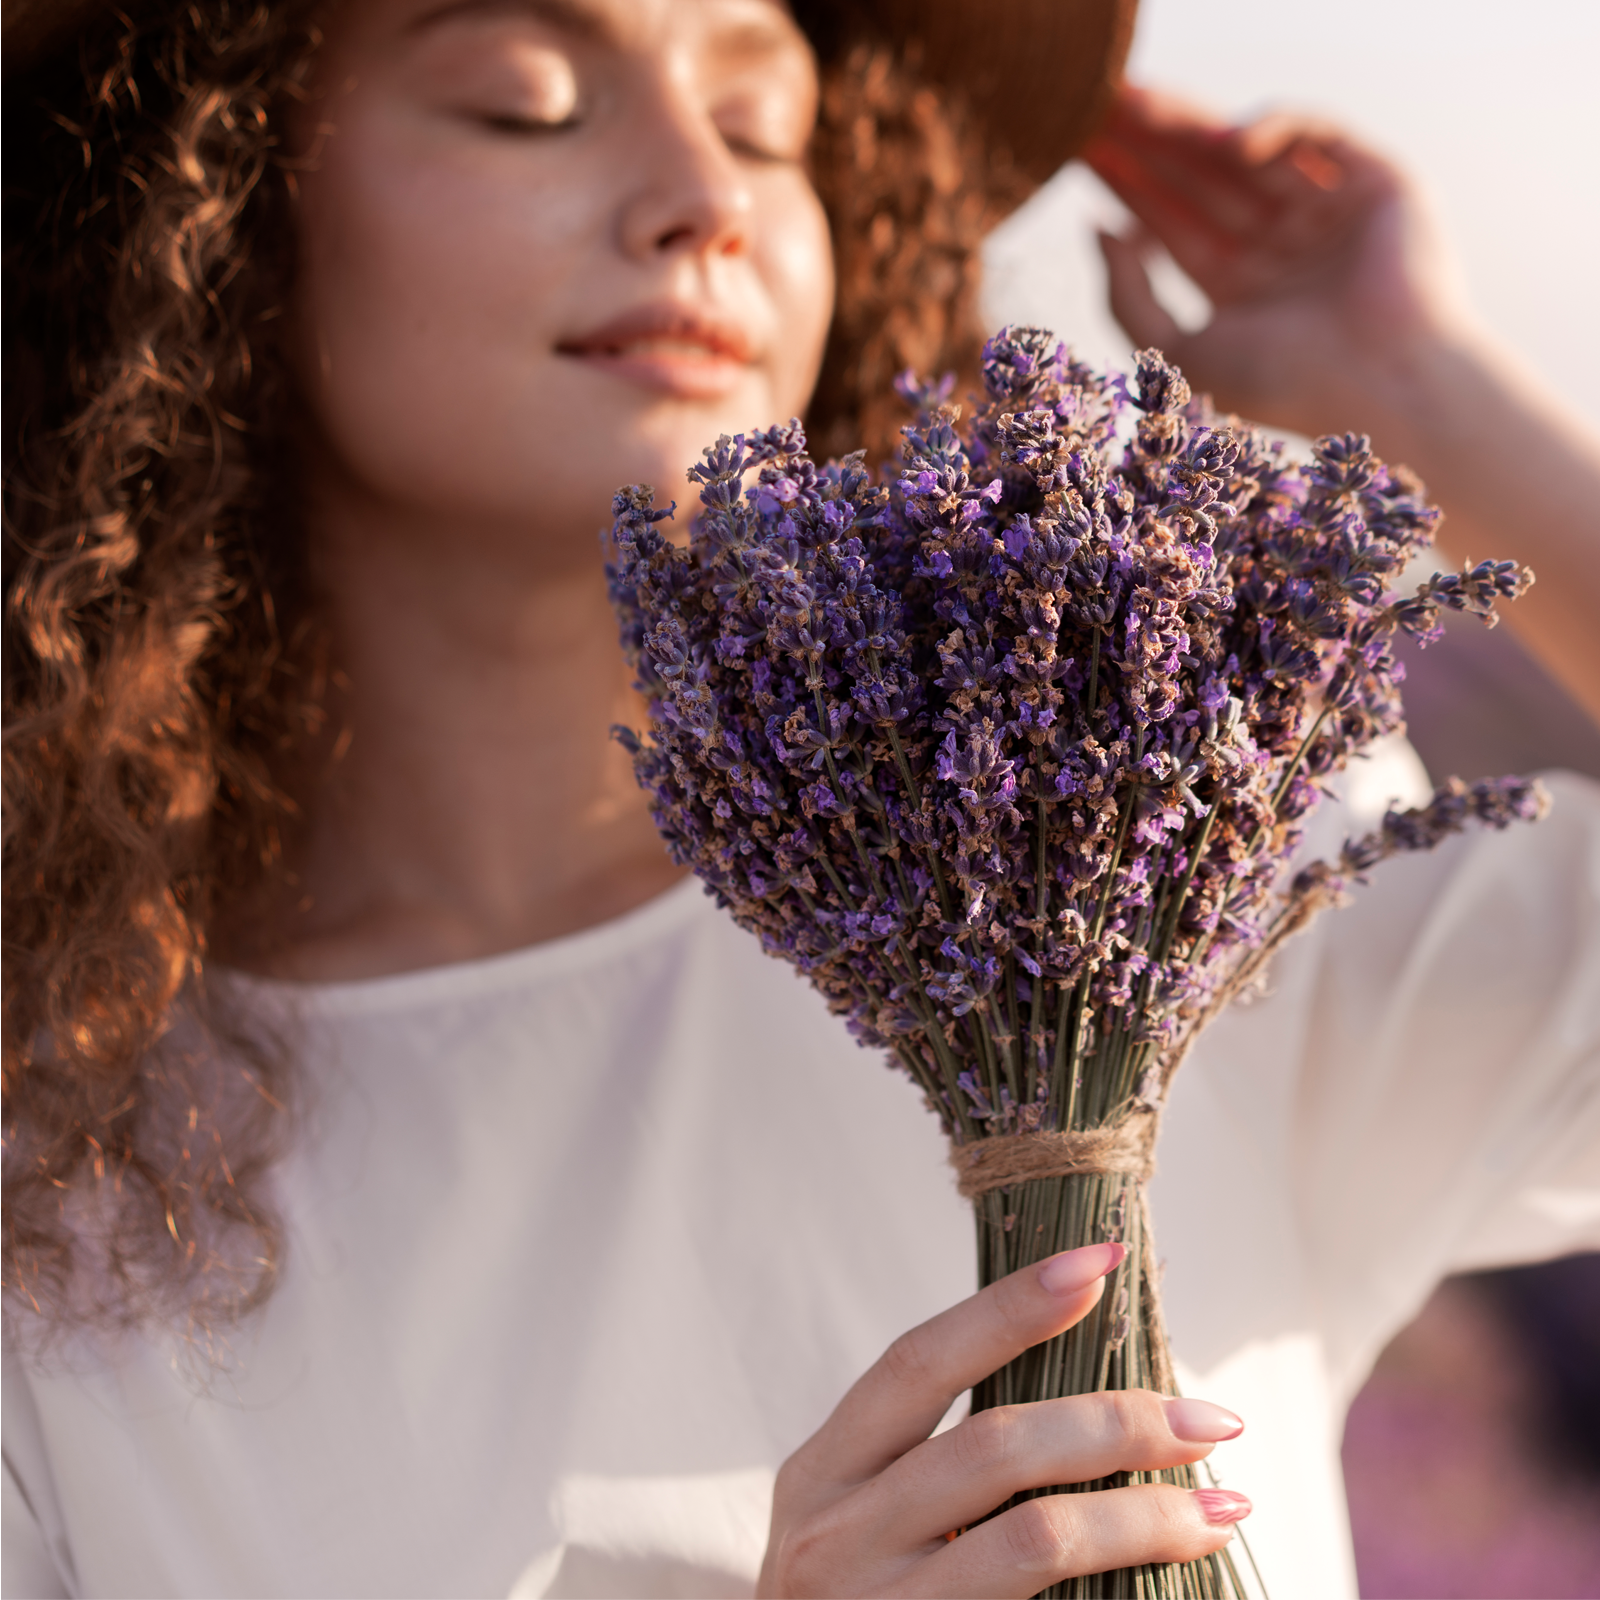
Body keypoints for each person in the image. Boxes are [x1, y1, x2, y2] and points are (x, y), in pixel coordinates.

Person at [1, 2, 1595, 1598]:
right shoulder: (48, 1207)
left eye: (768, 128)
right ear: (204, 223)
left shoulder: (1144, 902)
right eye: (525, 106)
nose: (709, 194)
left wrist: (1420, 387)